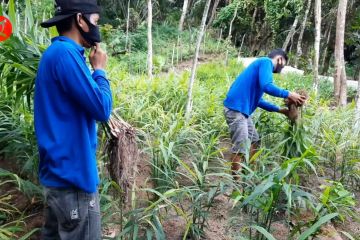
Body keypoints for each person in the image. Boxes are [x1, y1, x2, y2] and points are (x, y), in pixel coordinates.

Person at [34, 0, 112, 239]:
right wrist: (99, 70)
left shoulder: (58, 54)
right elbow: (102, 109)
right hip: (73, 181)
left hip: (60, 177)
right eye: (95, 21)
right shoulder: (65, 54)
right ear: (80, 20)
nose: (97, 28)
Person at [223, 49, 306, 179]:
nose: (282, 67)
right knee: (240, 147)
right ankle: (236, 185)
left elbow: (259, 100)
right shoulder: (265, 62)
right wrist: (289, 94)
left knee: (255, 140)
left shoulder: (260, 69)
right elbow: (267, 86)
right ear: (279, 59)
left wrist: (281, 110)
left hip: (242, 112)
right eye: (283, 64)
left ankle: (248, 173)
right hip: (236, 110)